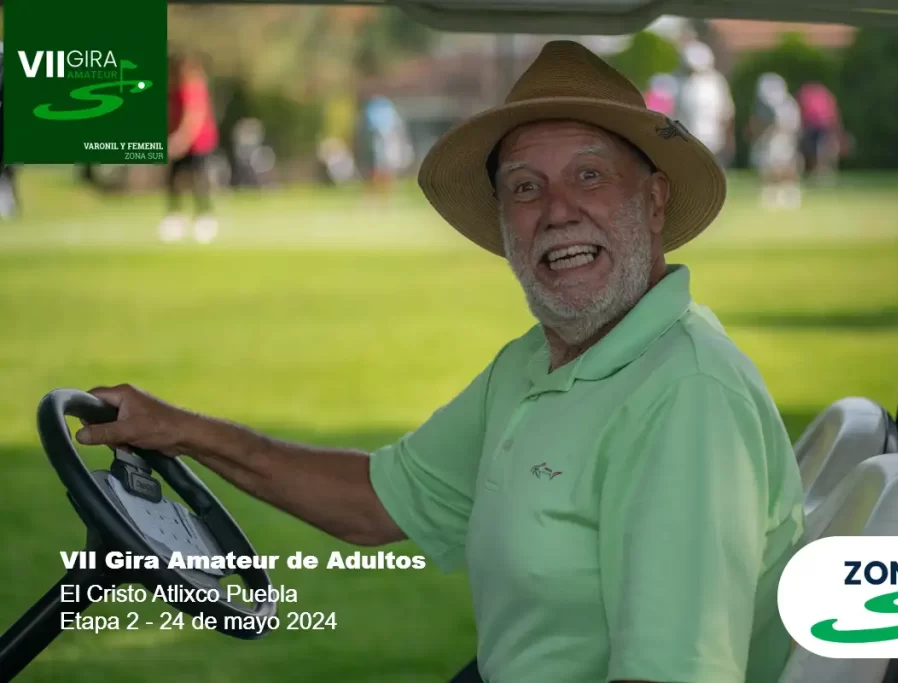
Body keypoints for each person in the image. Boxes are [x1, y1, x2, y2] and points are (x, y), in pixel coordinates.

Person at [76, 41, 804, 683]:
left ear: (654, 200)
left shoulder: (688, 396)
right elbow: (376, 501)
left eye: (589, 176)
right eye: (525, 186)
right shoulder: (535, 363)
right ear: (503, 220)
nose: (557, 210)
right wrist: (181, 430)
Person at [159, 52, 220, 244]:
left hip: (199, 142)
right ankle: (175, 217)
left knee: (198, 179)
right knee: (173, 179)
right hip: (181, 140)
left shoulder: (193, 87)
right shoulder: (174, 89)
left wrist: (181, 140)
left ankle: (204, 217)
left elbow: (193, 117)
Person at [749, 73, 803, 209]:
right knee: (769, 167)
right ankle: (771, 195)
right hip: (768, 140)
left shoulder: (788, 104)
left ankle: (790, 194)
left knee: (786, 166)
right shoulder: (762, 105)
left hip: (784, 139)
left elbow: (793, 125)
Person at [677, 41, 735, 168]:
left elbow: (726, 113)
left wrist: (729, 139)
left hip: (713, 139)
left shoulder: (716, 82)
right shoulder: (680, 82)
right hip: (686, 138)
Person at [796, 81, 843, 184]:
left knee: (820, 152)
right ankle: (820, 174)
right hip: (819, 127)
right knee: (818, 152)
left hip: (819, 128)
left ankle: (821, 173)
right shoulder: (824, 95)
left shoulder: (806, 94)